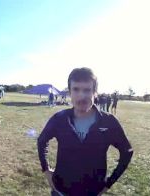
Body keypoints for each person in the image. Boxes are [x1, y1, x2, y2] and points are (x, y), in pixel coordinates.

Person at [37, 67, 133, 196]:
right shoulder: (59, 118)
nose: (81, 96)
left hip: (92, 192)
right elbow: (42, 141)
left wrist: (109, 183)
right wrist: (46, 169)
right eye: (76, 89)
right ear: (69, 92)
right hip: (61, 190)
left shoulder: (108, 121)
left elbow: (127, 151)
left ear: (95, 92)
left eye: (87, 90)